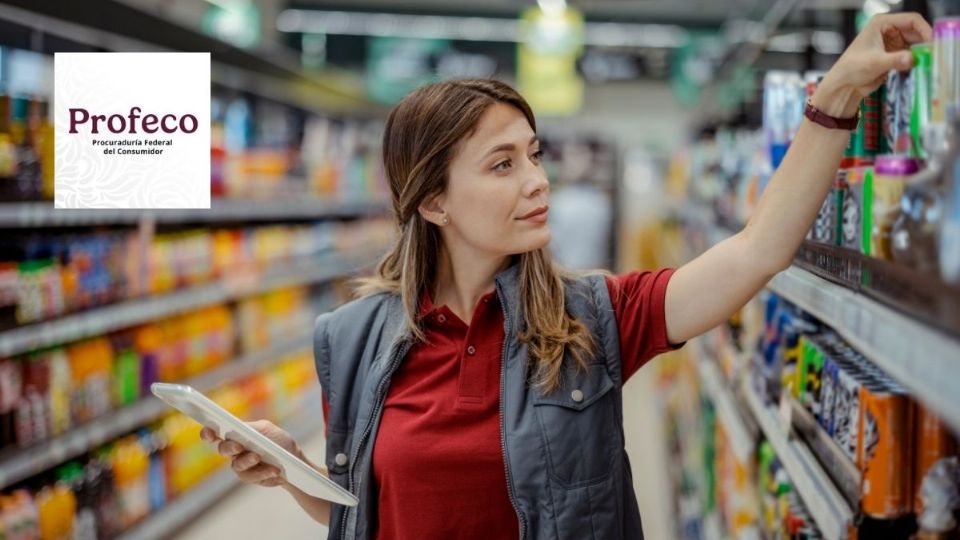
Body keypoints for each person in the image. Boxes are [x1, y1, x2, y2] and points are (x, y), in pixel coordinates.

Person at [201, 12, 932, 539]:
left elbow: (757, 251)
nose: (538, 181)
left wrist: (834, 98)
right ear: (432, 202)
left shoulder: (593, 318)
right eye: (503, 164)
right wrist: (293, 468)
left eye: (534, 154)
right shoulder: (351, 341)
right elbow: (362, 515)